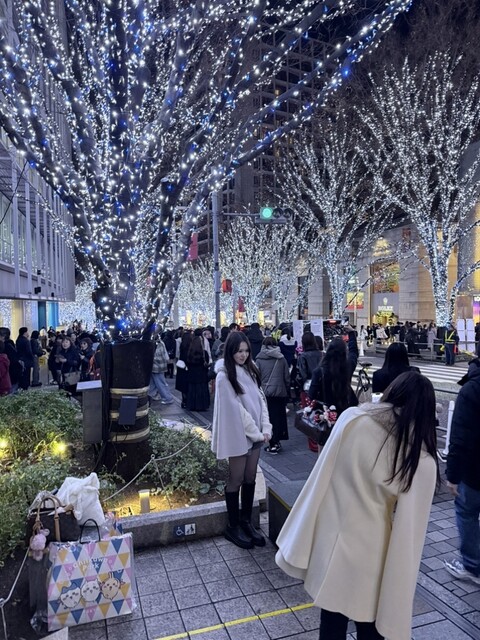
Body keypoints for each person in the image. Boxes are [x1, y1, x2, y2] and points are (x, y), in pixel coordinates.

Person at [276, 371, 439, 640]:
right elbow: (409, 535)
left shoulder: (353, 419)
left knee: (331, 619)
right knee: (370, 625)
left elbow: (321, 476)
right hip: (372, 550)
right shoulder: (418, 458)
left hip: (332, 538)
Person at [211, 332, 272, 549]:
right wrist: (258, 433)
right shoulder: (224, 376)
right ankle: (233, 525)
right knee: (236, 479)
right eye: (239, 351)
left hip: (256, 434)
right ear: (230, 351)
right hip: (239, 435)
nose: (243, 355)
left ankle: (246, 521)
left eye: (246, 351)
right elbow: (237, 411)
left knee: (250, 477)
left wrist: (266, 427)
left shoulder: (250, 369)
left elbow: (261, 401)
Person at [444, 357, 480, 584]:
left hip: (474, 469)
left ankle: (472, 565)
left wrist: (453, 475)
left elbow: (460, 437)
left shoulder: (471, 389)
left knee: (467, 513)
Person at [308, 330, 359, 451]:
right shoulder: (347, 367)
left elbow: (311, 394)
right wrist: (351, 334)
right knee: (343, 446)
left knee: (324, 448)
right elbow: (354, 353)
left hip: (325, 415)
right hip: (345, 412)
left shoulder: (319, 372)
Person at [255, 337, 290, 454]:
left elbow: (256, 377)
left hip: (265, 393)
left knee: (268, 417)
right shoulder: (281, 359)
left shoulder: (259, 359)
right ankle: (277, 441)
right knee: (279, 418)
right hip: (280, 393)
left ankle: (272, 443)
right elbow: (286, 377)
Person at [185, 335, 210, 411]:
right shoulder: (204, 354)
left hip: (192, 376)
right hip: (202, 376)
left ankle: (192, 405)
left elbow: (187, 363)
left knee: (192, 391)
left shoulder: (189, 353)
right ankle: (202, 406)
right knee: (201, 391)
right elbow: (207, 363)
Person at [148, 338, 174, 405]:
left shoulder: (152, 344)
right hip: (161, 366)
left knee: (160, 383)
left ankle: (168, 398)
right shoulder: (161, 343)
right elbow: (166, 355)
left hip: (155, 366)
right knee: (153, 382)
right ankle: (152, 395)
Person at [0, 327, 22, 393]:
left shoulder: (6, 346)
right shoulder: (10, 345)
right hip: (9, 378)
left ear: (3, 336)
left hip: (9, 378)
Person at [175, 331, 192, 408]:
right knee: (188, 386)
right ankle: (188, 401)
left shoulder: (182, 346)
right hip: (188, 368)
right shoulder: (191, 347)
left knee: (183, 386)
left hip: (181, 367)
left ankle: (184, 401)